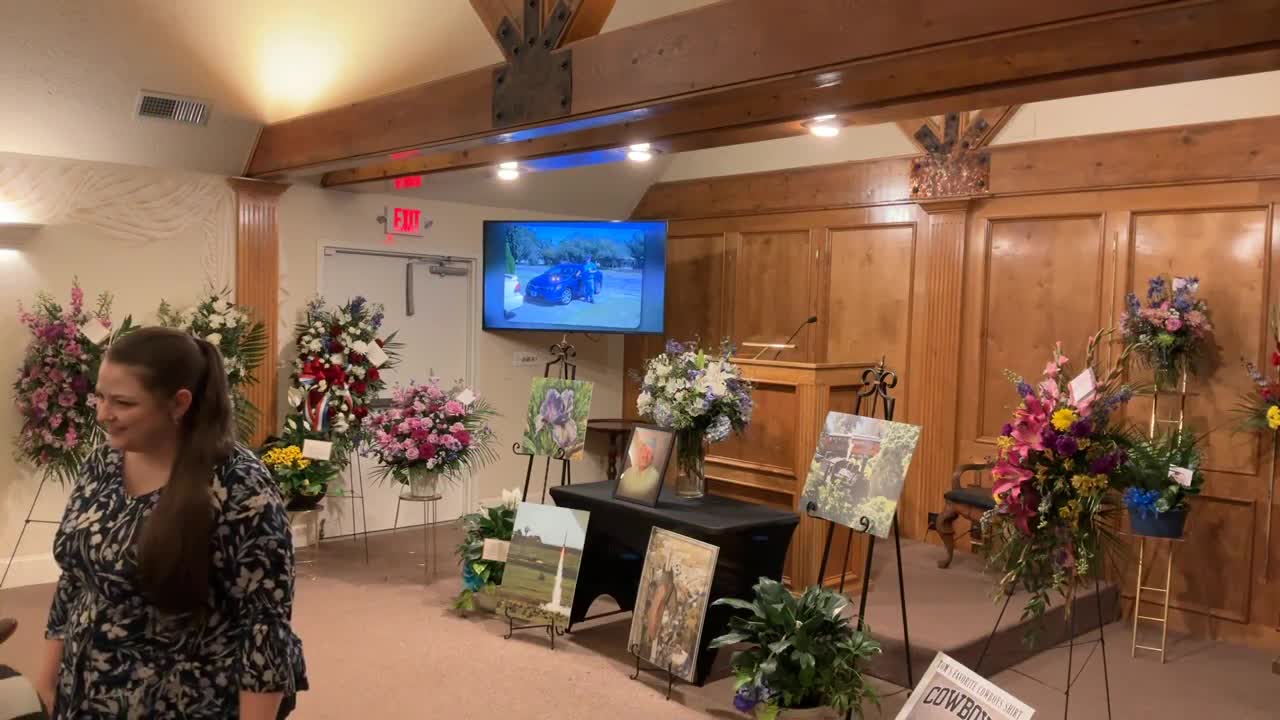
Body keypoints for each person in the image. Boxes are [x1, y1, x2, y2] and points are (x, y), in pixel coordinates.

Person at [35, 327, 307, 719]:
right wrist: (48, 678)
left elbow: (263, 627)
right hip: (84, 692)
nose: (102, 414)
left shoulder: (239, 485)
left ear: (179, 404)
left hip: (183, 703)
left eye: (123, 402)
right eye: (100, 396)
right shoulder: (102, 462)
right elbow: (76, 579)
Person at [617, 436, 661, 502]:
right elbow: (619, 491)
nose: (645, 455)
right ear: (639, 453)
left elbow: (640, 495)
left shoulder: (655, 476)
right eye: (643, 451)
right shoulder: (628, 471)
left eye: (649, 452)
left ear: (652, 458)